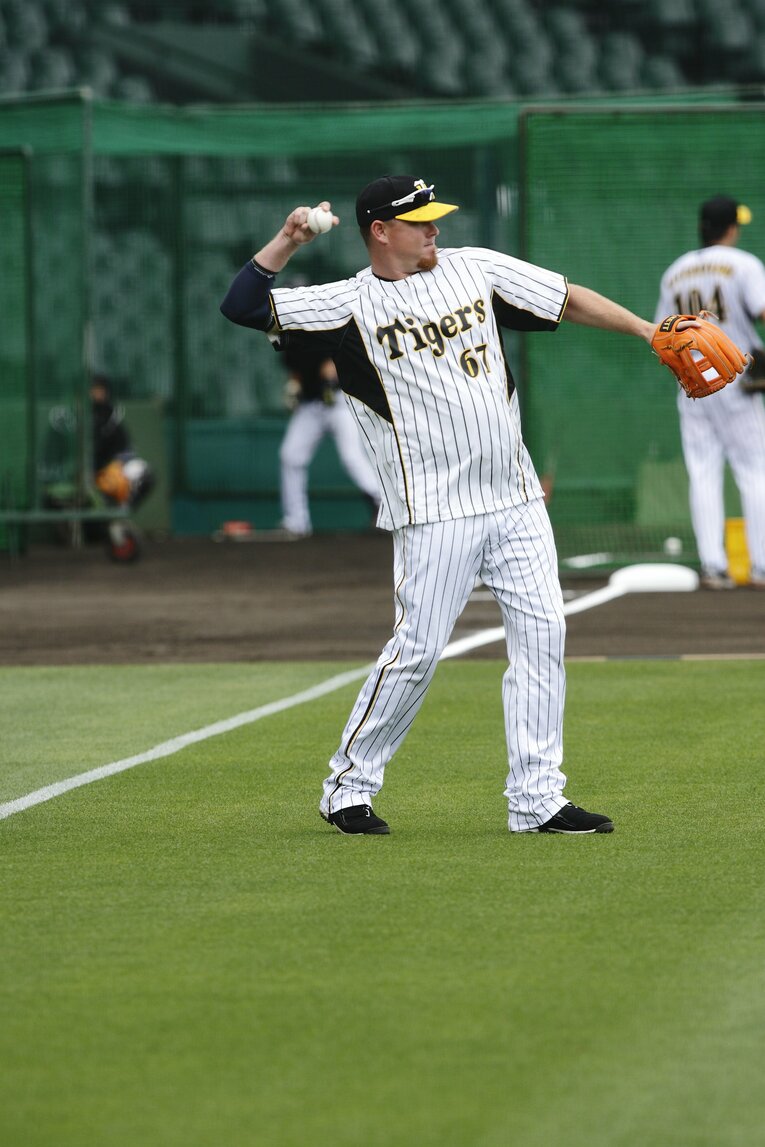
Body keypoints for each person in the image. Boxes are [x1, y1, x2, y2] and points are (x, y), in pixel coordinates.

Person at [220, 174, 681, 836]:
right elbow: (241, 305)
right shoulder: (347, 304)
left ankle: (537, 797)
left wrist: (644, 330)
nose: (435, 228)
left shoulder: (477, 269)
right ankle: (347, 787)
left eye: (435, 217)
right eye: (420, 221)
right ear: (380, 232)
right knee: (417, 651)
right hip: (434, 510)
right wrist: (288, 240)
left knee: (543, 636)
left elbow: (567, 298)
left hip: (515, 497)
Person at [655, 195, 765, 591]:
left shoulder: (675, 272)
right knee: (754, 470)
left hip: (692, 382)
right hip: (737, 378)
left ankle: (713, 566)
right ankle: (761, 565)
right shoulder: (744, 264)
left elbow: (662, 333)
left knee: (703, 471)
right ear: (731, 227)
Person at [275, 332, 380, 538]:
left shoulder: (317, 326)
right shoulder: (286, 337)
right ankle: (296, 522)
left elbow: (335, 360)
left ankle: (381, 504)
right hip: (310, 405)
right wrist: (294, 387)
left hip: (339, 401)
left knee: (351, 457)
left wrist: (331, 368)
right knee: (290, 456)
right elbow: (295, 369)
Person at [90, 375, 154, 559]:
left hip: (118, 464)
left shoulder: (110, 412)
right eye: (94, 389)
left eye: (100, 389)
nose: (97, 393)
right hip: (101, 469)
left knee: (147, 475)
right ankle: (115, 518)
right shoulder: (85, 415)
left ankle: (121, 512)